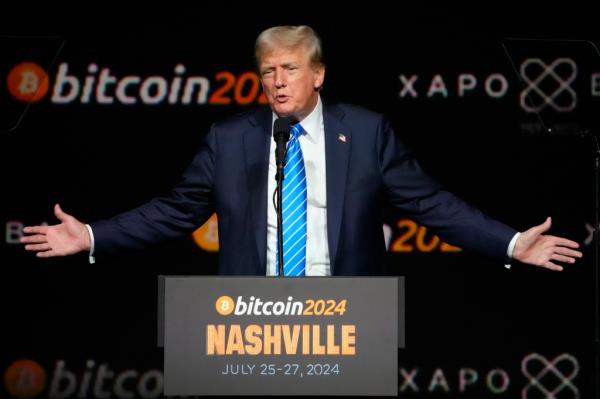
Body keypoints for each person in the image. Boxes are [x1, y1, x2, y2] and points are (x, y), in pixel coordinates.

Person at [21, 25, 582, 275]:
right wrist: (93, 235)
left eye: (289, 68)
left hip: (346, 319)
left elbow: (432, 205)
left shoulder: (365, 133)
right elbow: (174, 211)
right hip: (252, 322)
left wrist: (509, 243)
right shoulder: (231, 139)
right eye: (268, 71)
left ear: (318, 75)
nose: (277, 82)